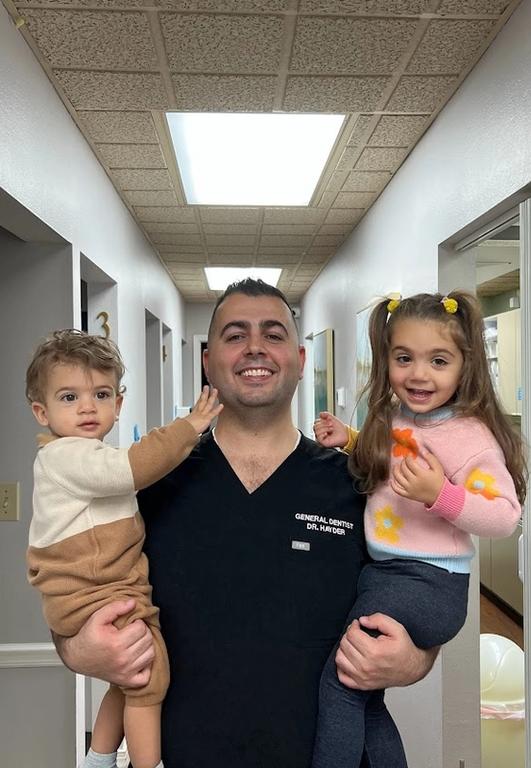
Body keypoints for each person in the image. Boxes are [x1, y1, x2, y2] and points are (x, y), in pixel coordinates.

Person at [53, 280, 439, 768]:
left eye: (273, 334)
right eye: (236, 335)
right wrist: (78, 648)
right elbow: (72, 592)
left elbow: (424, 596)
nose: (255, 347)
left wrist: (414, 660)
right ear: (208, 360)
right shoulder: (148, 484)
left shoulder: (363, 484)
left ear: (299, 359)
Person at [312, 291, 526, 768]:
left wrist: (440, 495)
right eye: (404, 358)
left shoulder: (469, 435)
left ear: (464, 366)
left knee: (340, 685)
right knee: (366, 698)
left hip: (429, 582)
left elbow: (504, 515)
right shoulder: (393, 417)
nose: (419, 374)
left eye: (439, 360)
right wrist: (347, 440)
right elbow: (386, 467)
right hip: (388, 577)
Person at [25, 329, 222, 768]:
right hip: (91, 590)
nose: (88, 407)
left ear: (118, 403)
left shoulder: (87, 454)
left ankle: (97, 758)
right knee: (150, 675)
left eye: (100, 393)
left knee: (126, 678)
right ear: (42, 411)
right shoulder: (67, 456)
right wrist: (188, 428)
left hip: (108, 587)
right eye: (69, 397)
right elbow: (132, 467)